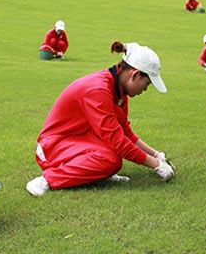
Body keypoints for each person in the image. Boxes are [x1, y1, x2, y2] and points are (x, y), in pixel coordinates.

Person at [26, 41, 174, 197]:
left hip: (76, 140)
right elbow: (118, 141)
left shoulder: (119, 91)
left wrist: (156, 155)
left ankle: (100, 173)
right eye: (147, 83)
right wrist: (156, 165)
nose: (145, 89)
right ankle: (46, 180)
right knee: (111, 159)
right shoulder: (98, 89)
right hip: (52, 148)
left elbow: (124, 131)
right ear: (135, 74)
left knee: (112, 157)